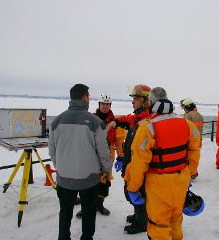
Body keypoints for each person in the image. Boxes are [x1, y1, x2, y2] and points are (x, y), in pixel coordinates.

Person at [125, 87, 201, 239]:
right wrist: (188, 174)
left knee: (158, 224)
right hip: (181, 180)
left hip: (158, 184)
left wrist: (132, 187)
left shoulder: (147, 127)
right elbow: (194, 151)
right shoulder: (186, 124)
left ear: (151, 102)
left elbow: (139, 162)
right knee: (175, 219)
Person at [48, 84, 112, 240]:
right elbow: (103, 152)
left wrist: (61, 167)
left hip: (64, 178)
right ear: (85, 97)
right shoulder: (95, 122)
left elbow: (52, 150)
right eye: (88, 96)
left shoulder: (56, 121)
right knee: (89, 213)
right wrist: (106, 170)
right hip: (89, 179)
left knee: (65, 212)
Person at [107, 84, 151, 234]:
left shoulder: (147, 121)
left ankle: (142, 221)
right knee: (131, 192)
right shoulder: (138, 117)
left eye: (136, 99)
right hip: (130, 164)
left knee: (137, 192)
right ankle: (139, 215)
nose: (133, 102)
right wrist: (116, 121)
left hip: (138, 166)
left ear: (146, 101)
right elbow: (129, 118)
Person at [76, 94, 126, 218]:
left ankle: (99, 205)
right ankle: (85, 208)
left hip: (107, 157)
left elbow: (119, 141)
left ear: (110, 105)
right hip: (91, 155)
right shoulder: (90, 119)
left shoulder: (115, 122)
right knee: (87, 183)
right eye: (103, 104)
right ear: (99, 105)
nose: (105, 107)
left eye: (107, 104)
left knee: (104, 183)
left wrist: (120, 156)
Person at [180, 98, 204, 179]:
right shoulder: (199, 114)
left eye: (184, 108)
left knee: (188, 158)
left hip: (190, 141)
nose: (184, 110)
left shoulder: (188, 116)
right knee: (194, 158)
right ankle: (194, 172)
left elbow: (184, 129)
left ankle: (190, 173)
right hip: (198, 141)